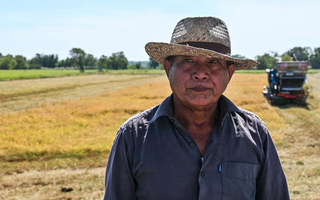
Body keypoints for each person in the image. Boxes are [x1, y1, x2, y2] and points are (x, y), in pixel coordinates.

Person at [103, 16, 290, 200]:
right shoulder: (133, 136)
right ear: (169, 69)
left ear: (230, 73)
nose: (200, 74)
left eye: (214, 62)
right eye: (188, 60)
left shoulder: (256, 134)